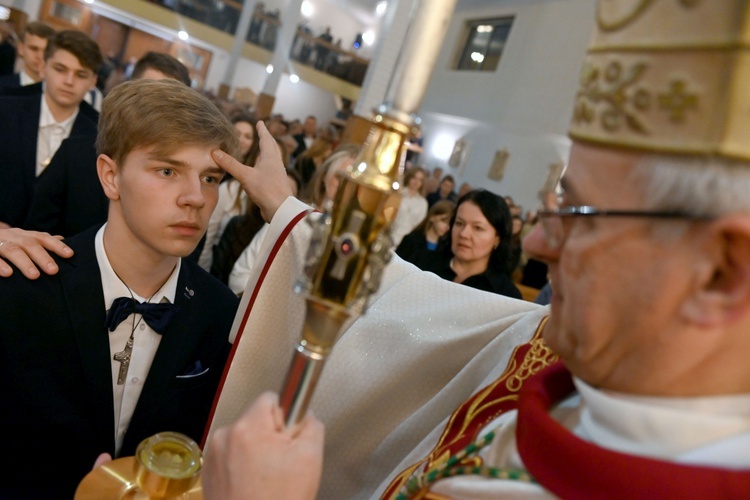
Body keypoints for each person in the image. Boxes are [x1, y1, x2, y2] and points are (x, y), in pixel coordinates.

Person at [11, 1, 750, 497]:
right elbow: (438, 320)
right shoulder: (553, 380)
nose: (541, 242)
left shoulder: (212, 311)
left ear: (721, 272)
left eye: (577, 210)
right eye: (552, 204)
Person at [0, 78, 240, 499]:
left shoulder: (220, 312)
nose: (195, 198)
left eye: (210, 178)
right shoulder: (27, 284)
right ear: (110, 176)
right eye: (168, 170)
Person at [23, 52, 193, 238]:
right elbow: (37, 232)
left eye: (170, 98)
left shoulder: (191, 179)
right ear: (130, 93)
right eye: (150, 94)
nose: (158, 106)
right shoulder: (74, 154)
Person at [0, 29, 101, 229]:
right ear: (44, 68)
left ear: (93, 81)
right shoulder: (5, 110)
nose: (69, 81)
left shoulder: (99, 136)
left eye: (81, 74)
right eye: (60, 69)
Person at [227, 144, 359, 294]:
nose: (346, 187)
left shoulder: (353, 239)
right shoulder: (293, 214)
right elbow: (241, 275)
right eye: (340, 177)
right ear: (324, 176)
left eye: (355, 183)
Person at [412, 189, 522, 299]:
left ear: (498, 238)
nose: (464, 234)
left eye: (478, 228)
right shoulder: (420, 263)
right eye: (459, 223)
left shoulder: (506, 295)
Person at [197, 113, 258, 270]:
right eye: (237, 134)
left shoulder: (244, 185)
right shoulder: (207, 166)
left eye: (248, 136)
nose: (241, 140)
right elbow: (208, 233)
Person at [0, 21, 55, 93]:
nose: (40, 56)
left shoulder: (56, 94)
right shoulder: (2, 87)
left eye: (46, 50)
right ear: (21, 49)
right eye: (34, 49)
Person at [395, 199, 454, 264]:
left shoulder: (445, 250)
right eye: (443, 221)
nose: (447, 227)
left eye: (450, 224)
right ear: (432, 217)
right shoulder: (411, 240)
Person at [389, 165, 428, 247]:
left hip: (407, 243)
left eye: (420, 180)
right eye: (414, 177)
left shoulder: (423, 203)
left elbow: (419, 226)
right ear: (409, 177)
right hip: (391, 237)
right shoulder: (397, 194)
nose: (416, 182)